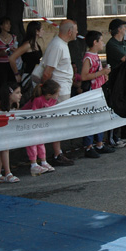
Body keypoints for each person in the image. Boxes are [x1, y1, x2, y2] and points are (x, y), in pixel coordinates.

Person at [41, 19, 78, 166]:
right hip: (58, 90)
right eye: (75, 30)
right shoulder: (57, 45)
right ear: (69, 31)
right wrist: (49, 91)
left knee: (60, 122)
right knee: (57, 122)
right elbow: (47, 72)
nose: (77, 33)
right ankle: (57, 154)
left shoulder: (61, 44)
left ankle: (58, 152)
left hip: (62, 89)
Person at [81, 30, 114, 158]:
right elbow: (84, 76)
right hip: (91, 90)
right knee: (91, 118)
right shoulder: (88, 57)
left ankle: (99, 143)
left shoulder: (95, 56)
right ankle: (88, 146)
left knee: (99, 116)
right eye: (101, 41)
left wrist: (104, 75)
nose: (103, 43)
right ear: (95, 42)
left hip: (99, 89)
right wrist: (101, 73)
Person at [23, 80, 60, 176]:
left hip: (40, 124)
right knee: (32, 142)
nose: (58, 95)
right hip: (30, 123)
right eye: (57, 93)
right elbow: (35, 114)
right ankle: (33, 164)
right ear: (49, 94)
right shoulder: (38, 100)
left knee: (41, 141)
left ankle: (43, 162)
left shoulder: (53, 100)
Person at [105, 18, 126, 148]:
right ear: (119, 29)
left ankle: (125, 133)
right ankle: (113, 137)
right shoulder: (112, 44)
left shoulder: (123, 43)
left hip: (125, 78)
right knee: (115, 107)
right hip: (116, 80)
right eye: (124, 27)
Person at [0, 82, 21, 183]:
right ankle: (8, 173)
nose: (20, 95)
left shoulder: (12, 104)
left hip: (4, 129)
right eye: (17, 93)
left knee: (2, 150)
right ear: (9, 94)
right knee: (4, 148)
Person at [9, 21, 44, 106]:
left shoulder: (36, 44)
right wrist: (16, 73)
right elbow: (12, 58)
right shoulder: (28, 45)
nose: (43, 31)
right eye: (42, 29)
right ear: (36, 31)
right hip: (28, 76)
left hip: (35, 75)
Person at [0, 16, 19, 89]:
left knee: (12, 86)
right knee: (1, 86)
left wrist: (14, 51)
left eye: (10, 24)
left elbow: (17, 51)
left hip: (11, 64)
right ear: (1, 26)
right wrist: (0, 53)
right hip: (0, 65)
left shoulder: (13, 37)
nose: (9, 26)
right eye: (6, 24)